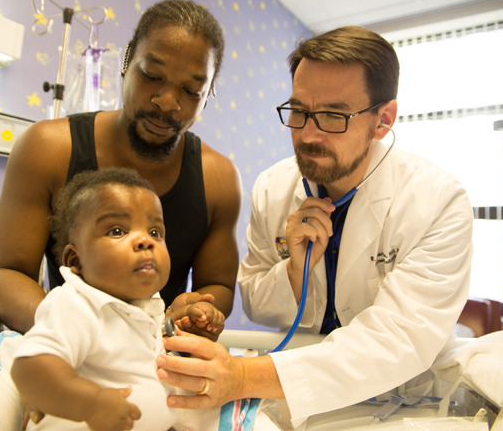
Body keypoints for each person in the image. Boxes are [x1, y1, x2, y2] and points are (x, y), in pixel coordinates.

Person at [155, 26, 473, 427]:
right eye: (299, 111)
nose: (307, 134)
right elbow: (254, 300)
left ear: (383, 120)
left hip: (404, 398)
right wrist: (292, 269)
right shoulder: (272, 187)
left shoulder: (436, 201)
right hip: (291, 394)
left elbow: (399, 340)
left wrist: (242, 377)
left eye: (333, 116)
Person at [0, 0, 241, 339]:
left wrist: (196, 312)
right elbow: (6, 273)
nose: (167, 101)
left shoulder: (218, 180)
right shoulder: (47, 150)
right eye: (152, 75)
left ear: (208, 94)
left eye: (191, 90)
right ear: (126, 63)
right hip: (63, 342)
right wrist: (68, 333)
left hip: (155, 351)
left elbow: (217, 285)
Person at [11, 168, 225, 430]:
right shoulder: (76, 305)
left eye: (156, 232)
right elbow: (29, 368)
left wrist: (174, 326)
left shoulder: (148, 305)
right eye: (116, 231)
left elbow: (138, 349)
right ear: (75, 261)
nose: (145, 240)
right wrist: (91, 403)